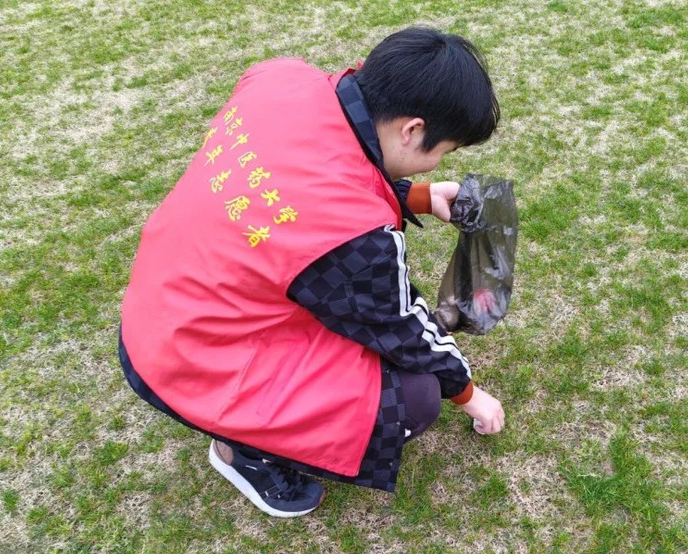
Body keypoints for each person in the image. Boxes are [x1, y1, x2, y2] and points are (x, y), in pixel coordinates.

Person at [119, 27, 505, 518]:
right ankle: (244, 453)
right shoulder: (354, 237)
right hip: (189, 359)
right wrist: (469, 394)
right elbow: (402, 326)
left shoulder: (280, 77)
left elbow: (306, 170)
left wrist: (419, 196)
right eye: (441, 151)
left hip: (160, 309)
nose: (436, 163)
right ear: (411, 130)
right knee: (415, 396)